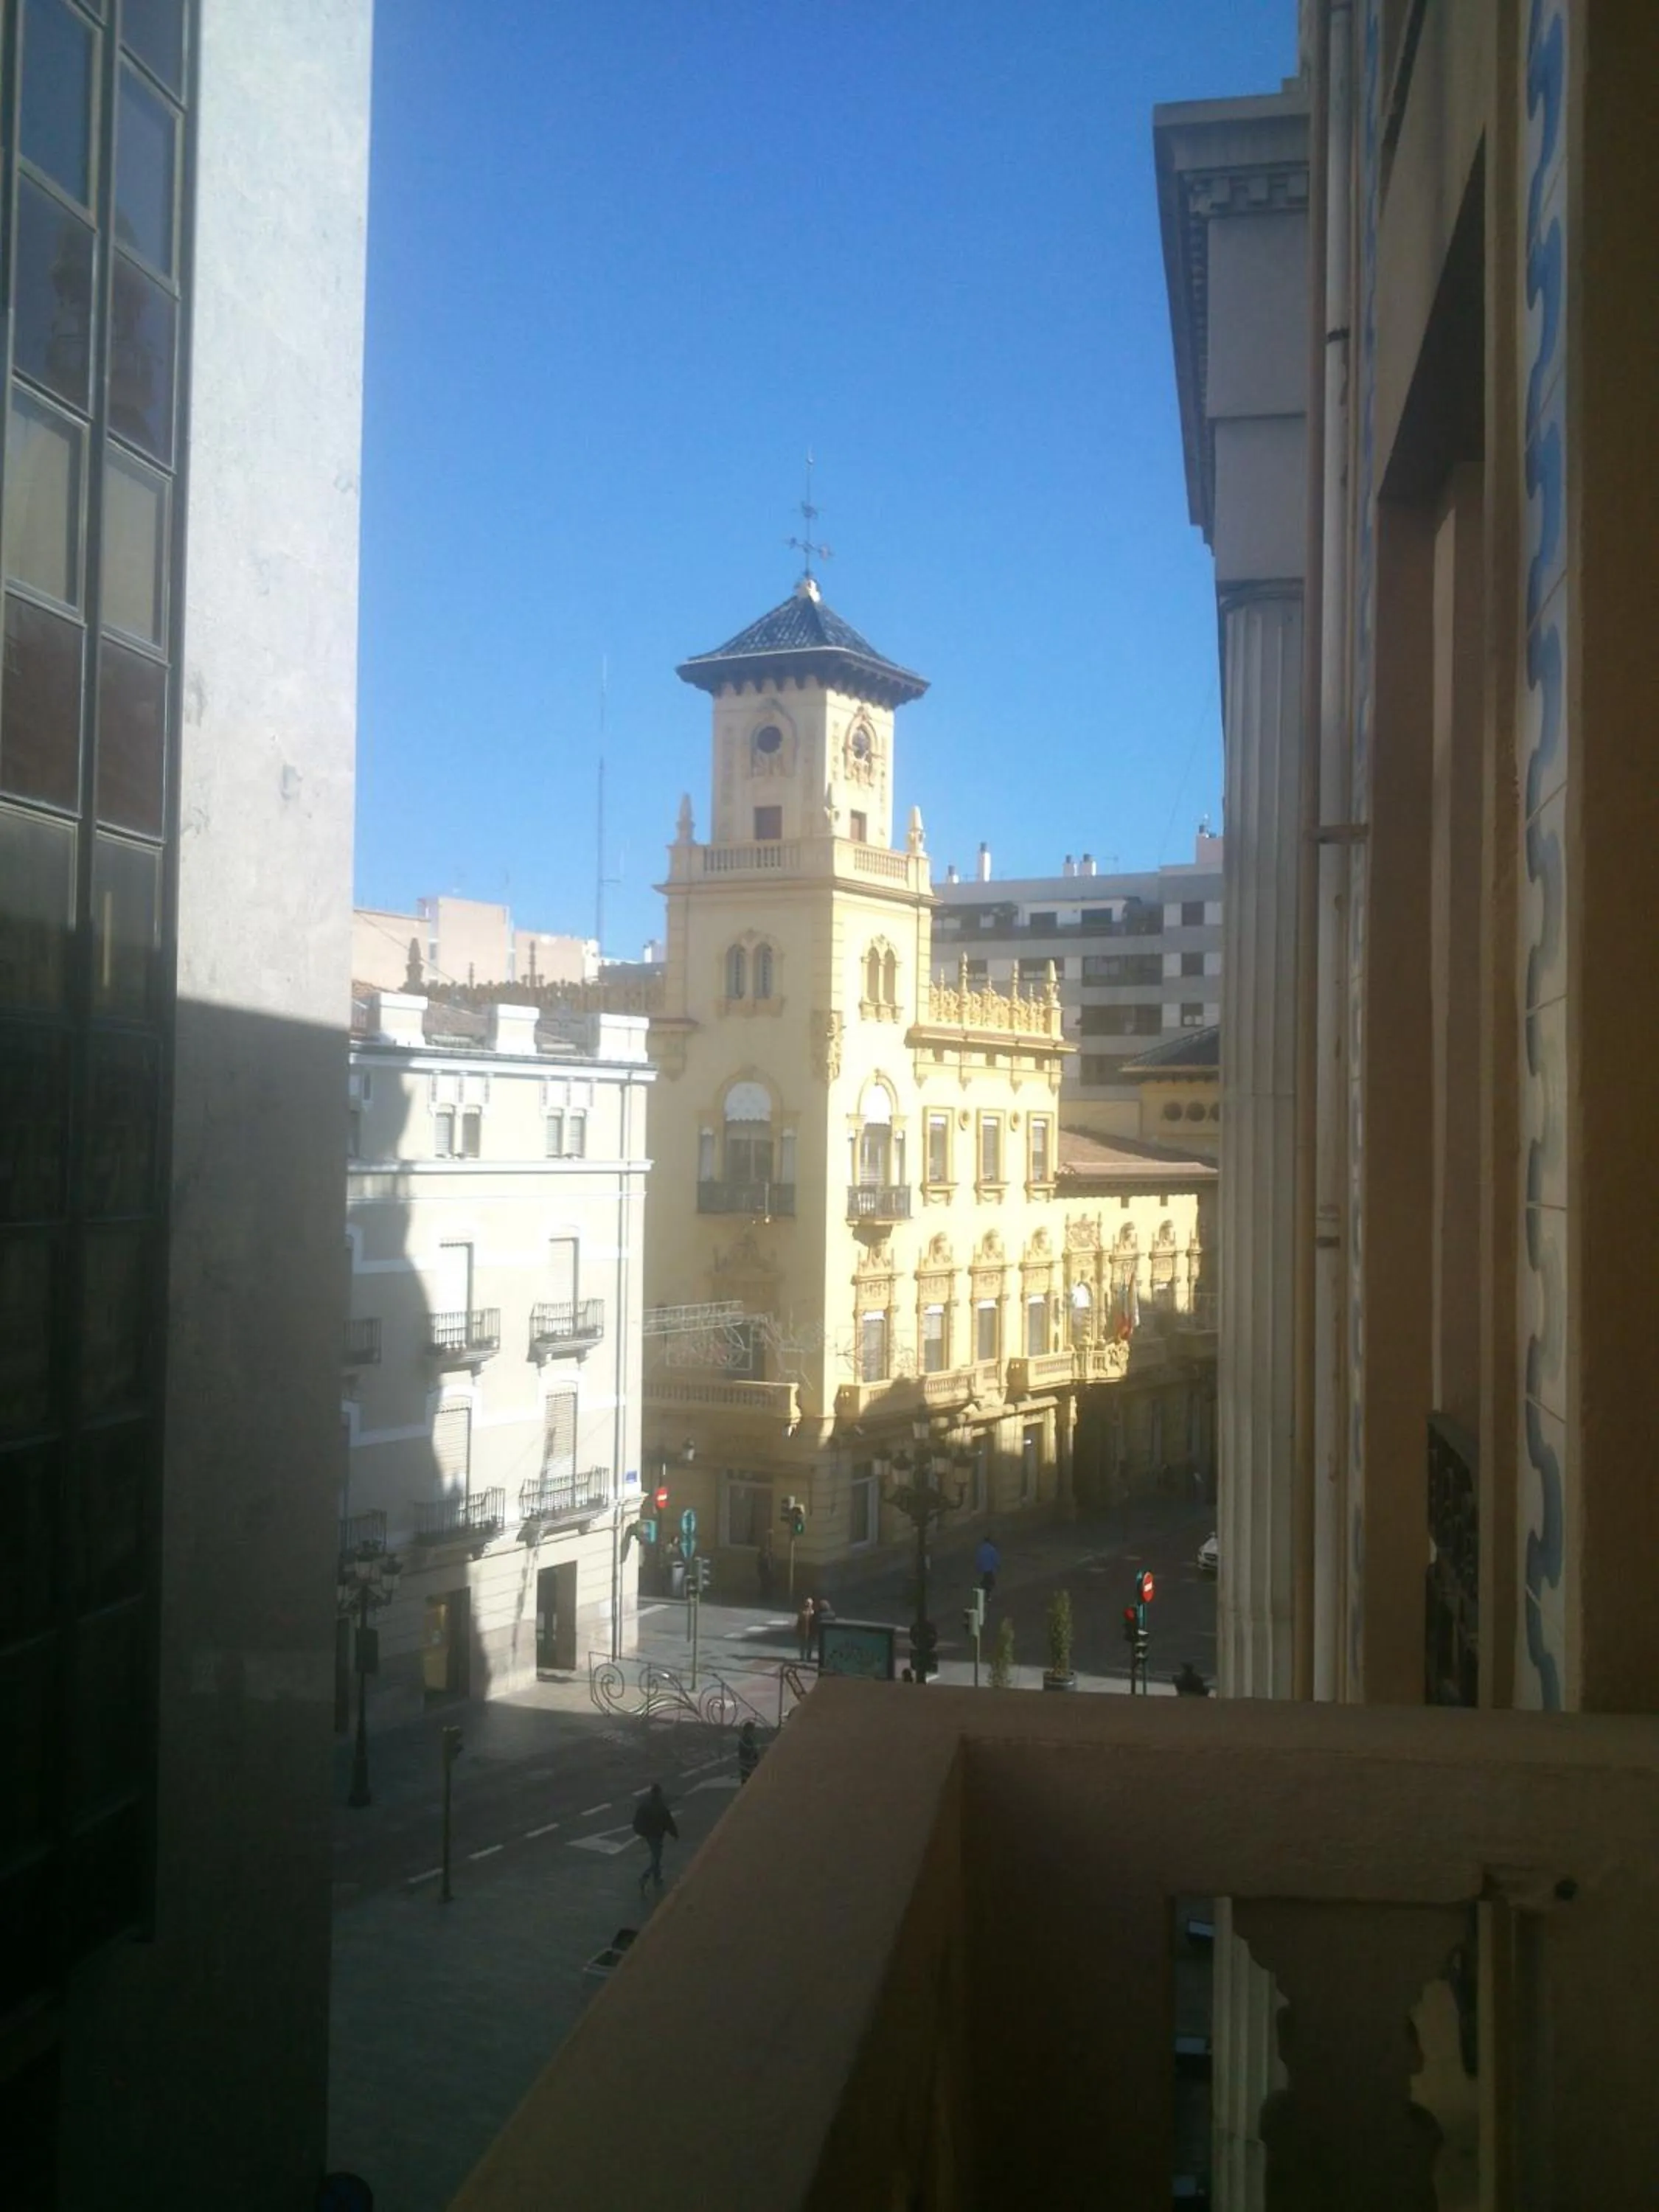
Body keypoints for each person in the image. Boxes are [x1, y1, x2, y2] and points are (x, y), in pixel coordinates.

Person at [632, 1782, 678, 1895]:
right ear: (659, 1793)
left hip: (648, 1835)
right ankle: (645, 1877)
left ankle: (657, 1878)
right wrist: (675, 1834)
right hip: (657, 1835)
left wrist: (641, 1832)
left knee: (656, 1855)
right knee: (656, 1858)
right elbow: (669, 1822)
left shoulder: (645, 1805)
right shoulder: (661, 1807)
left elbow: (637, 1820)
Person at [975, 1533, 1001, 1597]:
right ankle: (986, 1592)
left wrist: (978, 1568)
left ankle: (985, 1590)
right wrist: (998, 1565)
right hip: (990, 1568)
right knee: (991, 1581)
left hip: (984, 1568)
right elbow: (996, 1558)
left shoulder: (981, 1550)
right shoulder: (992, 1549)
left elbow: (979, 1560)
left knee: (987, 1579)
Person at [737, 1721, 760, 1785]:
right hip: (746, 1765)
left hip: (748, 1765)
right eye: (752, 1730)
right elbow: (749, 1749)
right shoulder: (744, 1739)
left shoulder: (749, 1739)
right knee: (746, 1783)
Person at [796, 1595, 817, 1664]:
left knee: (810, 1645)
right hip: (802, 1631)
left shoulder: (813, 1613)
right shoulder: (802, 1612)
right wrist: (797, 1630)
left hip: (811, 1632)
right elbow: (799, 1622)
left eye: (809, 1603)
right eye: (807, 1603)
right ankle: (802, 1657)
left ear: (811, 1604)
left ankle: (809, 1657)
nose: (807, 1605)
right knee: (802, 1645)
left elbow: (814, 1624)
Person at [757, 1530, 776, 1601]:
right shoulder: (764, 1549)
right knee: (764, 1584)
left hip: (769, 1570)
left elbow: (773, 1559)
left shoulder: (771, 1549)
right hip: (765, 1570)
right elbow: (761, 1559)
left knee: (769, 1584)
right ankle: (764, 1597)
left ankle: (767, 1596)